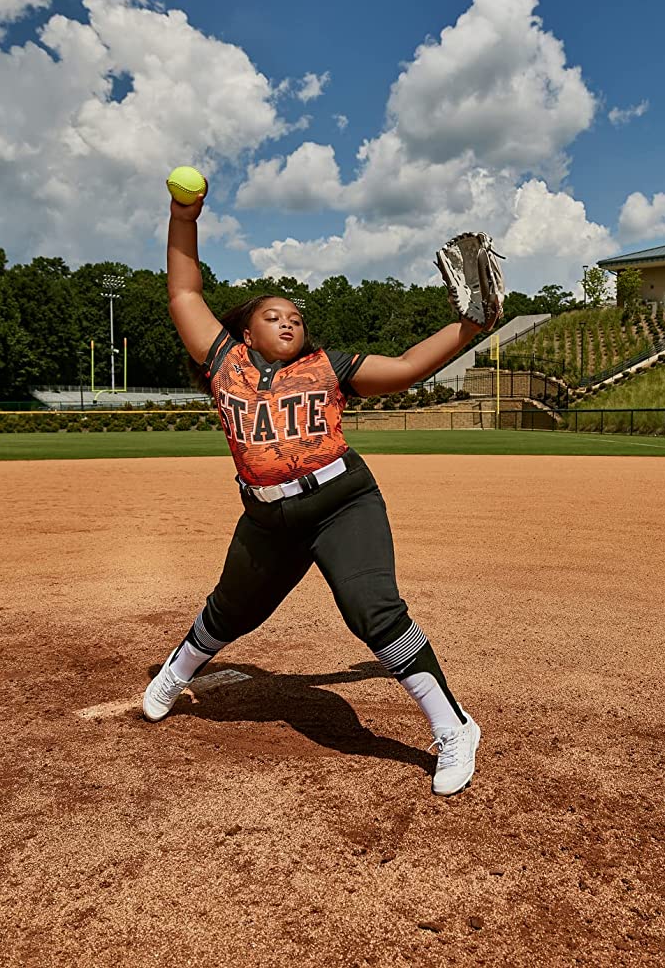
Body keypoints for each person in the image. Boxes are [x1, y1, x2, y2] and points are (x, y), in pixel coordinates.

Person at [142, 187, 487, 796]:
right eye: (273, 315)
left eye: (296, 317)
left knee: (374, 612)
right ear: (245, 331)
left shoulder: (329, 366)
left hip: (341, 502)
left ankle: (453, 727)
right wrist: (182, 217)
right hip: (267, 518)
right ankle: (178, 672)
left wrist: (469, 326)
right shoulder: (223, 361)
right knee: (231, 611)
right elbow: (184, 294)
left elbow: (408, 368)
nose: (288, 321)